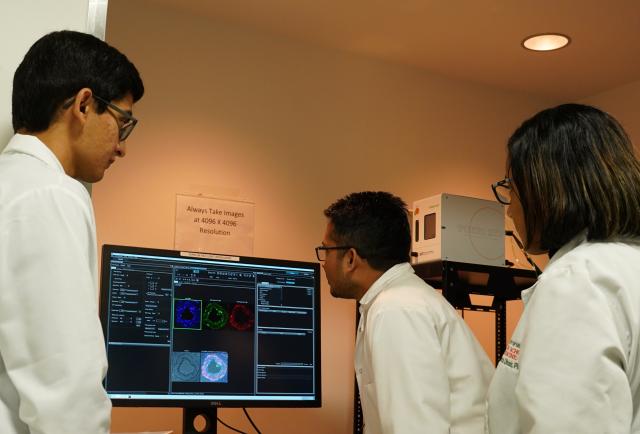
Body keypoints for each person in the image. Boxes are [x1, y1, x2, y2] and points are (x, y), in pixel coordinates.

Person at [0, 30, 143, 433]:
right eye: (123, 123)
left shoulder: (10, 183)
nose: (122, 147)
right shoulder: (49, 194)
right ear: (83, 105)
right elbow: (66, 397)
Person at [486, 103, 640, 433]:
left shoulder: (576, 281)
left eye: (512, 188)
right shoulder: (626, 265)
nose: (510, 210)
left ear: (543, 190)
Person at [318, 191, 494, 434]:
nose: (324, 262)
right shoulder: (397, 300)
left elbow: (416, 428)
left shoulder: (395, 310)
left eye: (326, 250)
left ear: (350, 258)